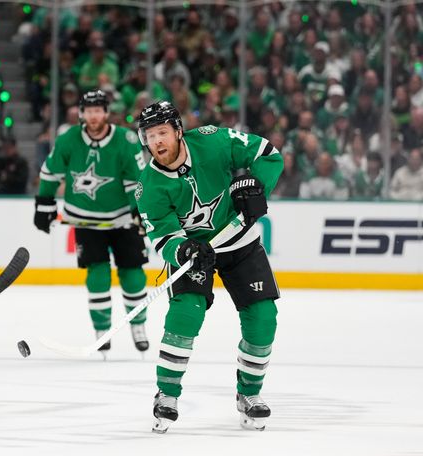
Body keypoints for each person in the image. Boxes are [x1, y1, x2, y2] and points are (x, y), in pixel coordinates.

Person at [135, 100, 283, 433]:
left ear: (177, 130)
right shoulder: (149, 186)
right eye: (150, 135)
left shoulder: (213, 141)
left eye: (162, 132)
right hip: (196, 253)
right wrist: (183, 247)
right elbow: (162, 236)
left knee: (263, 318)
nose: (156, 142)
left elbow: (269, 154)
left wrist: (258, 188)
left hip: (240, 243)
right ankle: (167, 395)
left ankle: (250, 394)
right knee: (186, 313)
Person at [34, 90, 150, 354]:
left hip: (122, 219)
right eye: (89, 110)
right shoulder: (68, 140)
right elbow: (51, 173)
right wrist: (44, 203)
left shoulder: (126, 140)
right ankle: (102, 329)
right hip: (85, 221)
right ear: (82, 113)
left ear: (106, 113)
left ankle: (138, 325)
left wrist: (139, 211)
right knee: (97, 275)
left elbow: (138, 180)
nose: (94, 115)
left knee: (133, 274)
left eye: (99, 110)